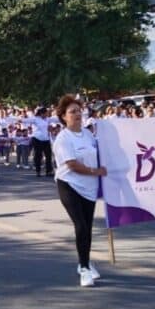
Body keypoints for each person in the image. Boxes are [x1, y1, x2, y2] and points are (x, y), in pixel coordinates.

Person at [52, 95, 107, 287]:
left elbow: (98, 153)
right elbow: (73, 165)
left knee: (88, 227)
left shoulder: (88, 134)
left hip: (89, 186)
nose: (77, 114)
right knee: (81, 225)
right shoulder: (62, 139)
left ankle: (85, 261)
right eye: (72, 112)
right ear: (63, 117)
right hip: (69, 184)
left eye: (79, 111)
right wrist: (95, 171)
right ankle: (84, 268)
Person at [20, 107, 58, 177]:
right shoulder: (35, 119)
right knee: (38, 155)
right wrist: (21, 120)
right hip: (37, 139)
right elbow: (26, 120)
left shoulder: (48, 119)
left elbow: (56, 119)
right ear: (41, 113)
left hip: (46, 139)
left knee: (48, 156)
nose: (47, 114)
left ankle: (49, 171)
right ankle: (38, 171)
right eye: (46, 113)